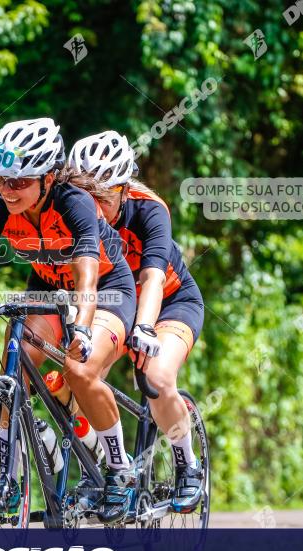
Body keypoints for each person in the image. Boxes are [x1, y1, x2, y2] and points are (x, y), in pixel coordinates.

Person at [0, 117, 139, 524]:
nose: (7, 189)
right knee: (14, 364)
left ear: (49, 177)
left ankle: (119, 469)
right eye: (2, 179)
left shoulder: (74, 203)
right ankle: (8, 481)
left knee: (80, 369)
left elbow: (87, 277)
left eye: (20, 181)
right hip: (45, 289)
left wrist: (80, 329)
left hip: (106, 290)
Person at [68, 130, 206, 513]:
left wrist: (144, 329)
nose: (93, 208)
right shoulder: (74, 213)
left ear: (125, 189)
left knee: (157, 380)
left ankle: (187, 464)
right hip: (118, 302)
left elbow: (153, 279)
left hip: (170, 302)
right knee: (78, 375)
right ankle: (101, 468)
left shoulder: (149, 209)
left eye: (103, 198)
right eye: (86, 197)